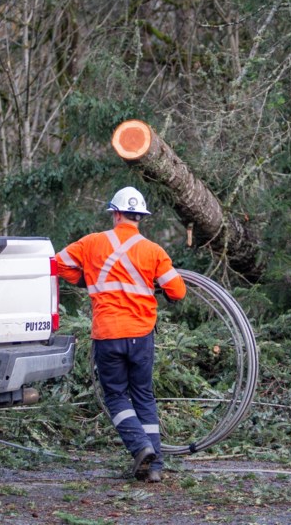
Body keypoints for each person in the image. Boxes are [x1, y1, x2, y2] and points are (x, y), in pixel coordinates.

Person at [56, 186, 186, 483]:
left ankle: (141, 448)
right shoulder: (154, 251)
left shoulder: (91, 243)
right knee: (143, 397)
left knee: (116, 396)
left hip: (108, 334)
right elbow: (177, 291)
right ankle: (155, 466)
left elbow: (59, 263)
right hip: (141, 335)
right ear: (140, 217)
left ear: (114, 213)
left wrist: (83, 279)